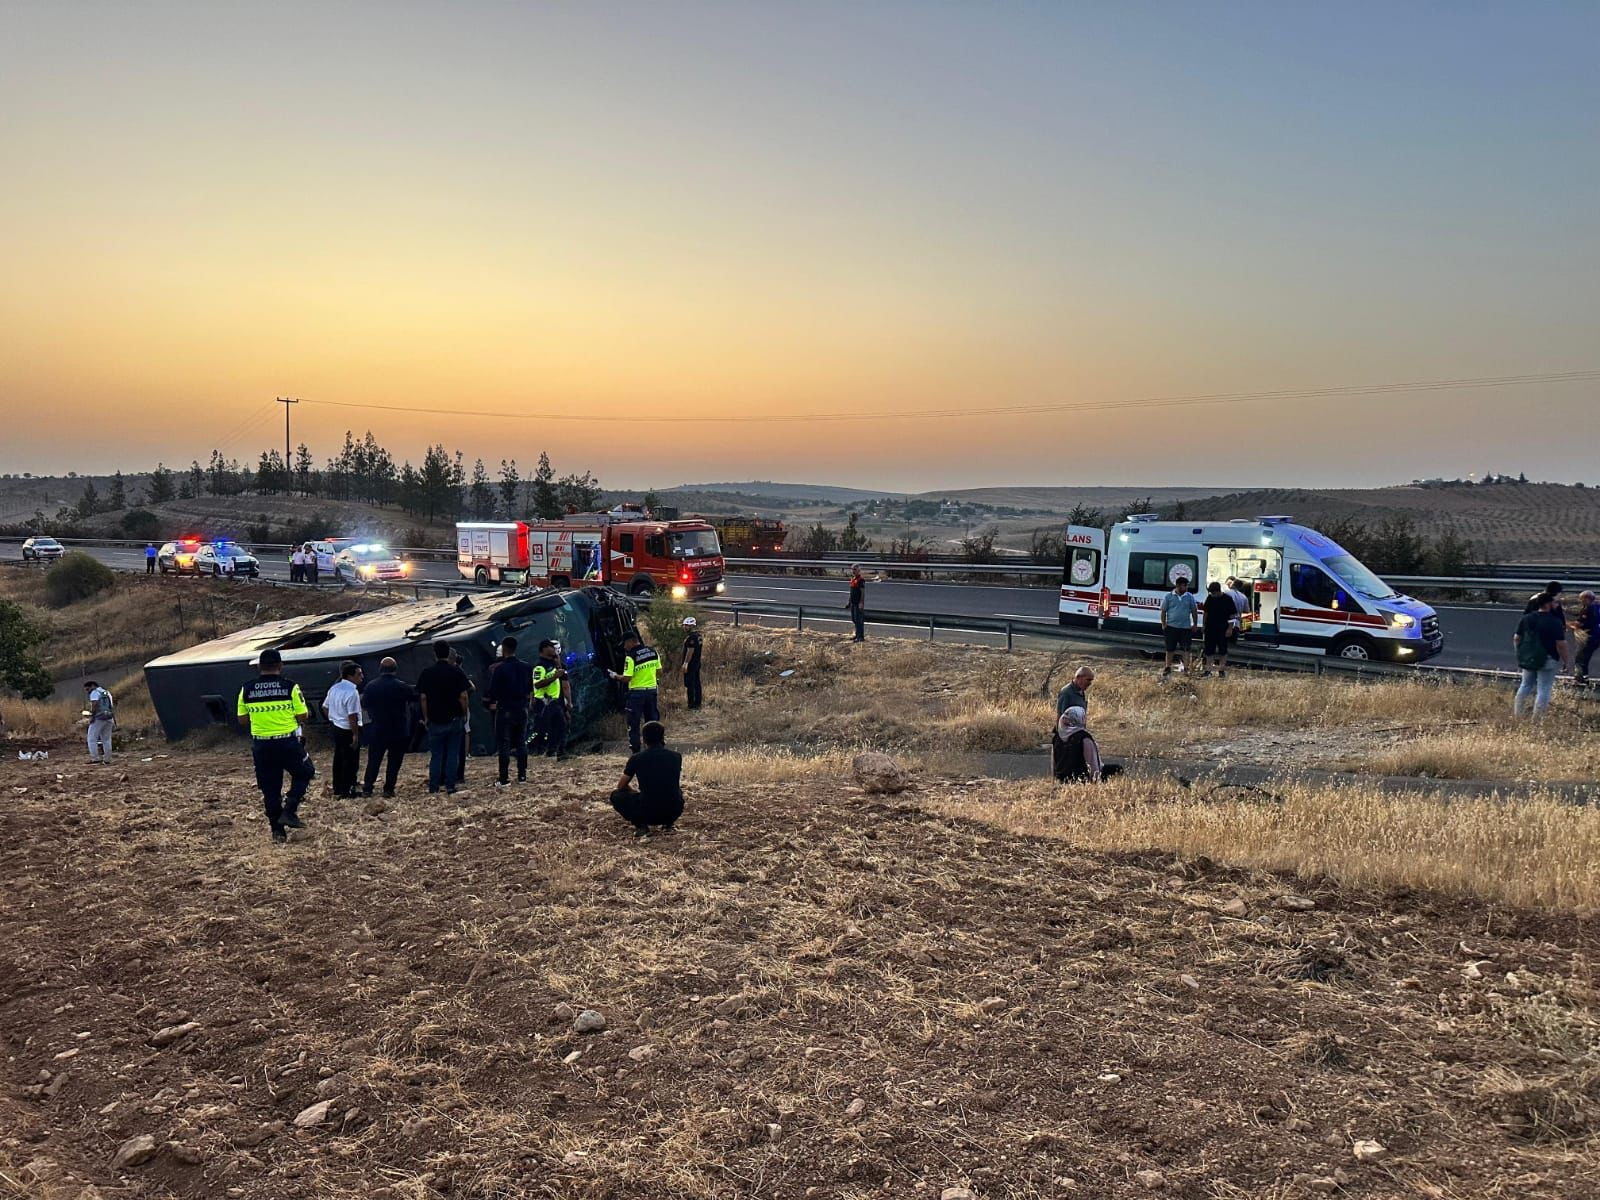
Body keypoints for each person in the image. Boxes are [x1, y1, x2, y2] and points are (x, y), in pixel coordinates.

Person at [236, 648, 315, 843]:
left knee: (270, 788)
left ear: (259, 667)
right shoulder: (290, 687)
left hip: (262, 745)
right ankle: (290, 809)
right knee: (305, 772)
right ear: (280, 665)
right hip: (287, 742)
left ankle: (277, 831)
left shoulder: (246, 689)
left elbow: (242, 719)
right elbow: (303, 715)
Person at [610, 720, 683, 839]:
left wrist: (633, 792)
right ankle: (668, 825)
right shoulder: (676, 757)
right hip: (673, 810)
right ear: (662, 738)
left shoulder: (636, 758)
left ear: (644, 739)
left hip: (647, 812)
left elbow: (621, 786)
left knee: (616, 795)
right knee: (676, 790)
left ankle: (641, 826)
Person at [417, 642, 470, 794]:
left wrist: (426, 717)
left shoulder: (427, 673)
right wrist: (464, 714)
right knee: (453, 753)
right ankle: (450, 785)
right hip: (454, 718)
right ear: (449, 654)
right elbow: (464, 696)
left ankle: (434, 786)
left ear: (435, 654)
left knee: (436, 755)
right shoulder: (457, 672)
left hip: (435, 719)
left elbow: (423, 697)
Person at [361, 657, 413, 797]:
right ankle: (389, 789)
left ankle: (368, 787)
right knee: (394, 761)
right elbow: (414, 698)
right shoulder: (401, 686)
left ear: (380, 669)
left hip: (378, 728)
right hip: (398, 729)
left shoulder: (371, 686)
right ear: (395, 669)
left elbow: (364, 704)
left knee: (374, 760)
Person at [485, 636, 533, 786]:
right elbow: (530, 688)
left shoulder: (499, 669)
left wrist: (491, 701)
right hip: (522, 708)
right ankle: (522, 776)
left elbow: (493, 691)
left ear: (504, 649)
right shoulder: (526, 667)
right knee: (521, 742)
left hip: (505, 708)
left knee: (504, 744)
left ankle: (504, 778)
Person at [1512, 593, 1570, 718]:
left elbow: (1517, 638)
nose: (1556, 605)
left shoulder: (1526, 618)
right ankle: (1537, 719)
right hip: (1548, 658)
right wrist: (1566, 661)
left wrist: (1520, 653)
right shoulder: (1555, 621)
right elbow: (1561, 644)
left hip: (1529, 657)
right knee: (1544, 688)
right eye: (1554, 602)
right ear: (1548, 604)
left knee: (1525, 685)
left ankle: (1518, 714)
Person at [609, 632, 661, 753]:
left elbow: (627, 678)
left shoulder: (631, 657)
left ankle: (636, 750)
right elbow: (659, 671)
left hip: (637, 694)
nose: (624, 647)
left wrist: (615, 676)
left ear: (631, 642)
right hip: (652, 692)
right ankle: (655, 747)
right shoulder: (653, 652)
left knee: (634, 723)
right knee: (652, 723)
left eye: (625, 644)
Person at [321, 660, 364, 798]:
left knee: (339, 758)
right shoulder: (352, 692)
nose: (362, 677)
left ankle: (338, 788)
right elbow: (352, 715)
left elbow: (324, 707)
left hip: (336, 727)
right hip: (348, 729)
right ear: (350, 676)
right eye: (359, 674)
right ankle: (348, 789)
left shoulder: (334, 688)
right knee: (351, 760)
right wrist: (355, 735)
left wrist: (333, 718)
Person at [1053, 706, 1122, 783]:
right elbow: (1092, 765)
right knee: (1118, 769)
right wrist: (1095, 783)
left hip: (1061, 778)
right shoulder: (1084, 738)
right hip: (1081, 779)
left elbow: (1054, 763)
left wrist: (1056, 778)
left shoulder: (1057, 737)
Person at [532, 639, 570, 760]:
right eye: (551, 647)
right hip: (544, 702)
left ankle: (558, 751)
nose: (554, 649)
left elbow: (563, 680)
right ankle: (545, 751)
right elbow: (537, 684)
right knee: (546, 728)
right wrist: (554, 677)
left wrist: (557, 662)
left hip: (555, 701)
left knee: (560, 726)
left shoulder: (553, 663)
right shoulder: (540, 666)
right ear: (544, 649)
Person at [1159, 576, 1199, 677]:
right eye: (1184, 585)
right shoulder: (1169, 596)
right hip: (1171, 626)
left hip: (1185, 627)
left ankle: (1186, 668)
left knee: (1186, 648)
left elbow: (1194, 611)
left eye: (1186, 586)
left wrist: (1195, 624)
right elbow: (1163, 611)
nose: (1185, 588)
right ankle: (1168, 667)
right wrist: (1163, 623)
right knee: (1170, 648)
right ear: (1177, 585)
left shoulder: (1189, 596)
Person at [449, 646, 475, 786]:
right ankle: (458, 775)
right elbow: (470, 689)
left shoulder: (433, 671)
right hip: (459, 711)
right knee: (460, 740)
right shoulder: (459, 672)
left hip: (446, 713)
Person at [1201, 581, 1237, 677]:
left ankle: (1221, 670)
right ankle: (1208, 670)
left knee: (1223, 650)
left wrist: (1230, 629)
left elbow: (1232, 615)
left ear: (1218, 591)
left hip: (1223, 628)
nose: (1212, 595)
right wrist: (1204, 625)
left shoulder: (1228, 599)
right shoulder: (1210, 598)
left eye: (1213, 593)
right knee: (1209, 650)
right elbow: (1206, 612)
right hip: (1210, 628)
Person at [83, 680, 115, 764]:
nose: (88, 691)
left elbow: (95, 704)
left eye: (88, 689)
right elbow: (111, 706)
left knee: (91, 738)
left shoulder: (94, 692)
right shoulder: (107, 692)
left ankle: (95, 758)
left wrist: (92, 716)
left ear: (92, 686)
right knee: (107, 739)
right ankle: (107, 759)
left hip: (99, 718)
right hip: (109, 717)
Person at [1575, 590, 1599, 685]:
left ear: (1587, 598)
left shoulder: (1586, 609)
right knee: (1585, 658)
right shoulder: (1597, 607)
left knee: (1580, 659)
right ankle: (1584, 678)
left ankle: (1581, 679)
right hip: (1597, 635)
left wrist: (1566, 624)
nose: (1581, 601)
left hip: (1588, 636)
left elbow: (1579, 623)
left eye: (1582, 599)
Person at [680, 617, 703, 709]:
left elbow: (690, 651)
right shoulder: (698, 636)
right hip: (697, 663)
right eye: (684, 625)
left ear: (692, 626)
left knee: (690, 684)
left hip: (691, 664)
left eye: (687, 625)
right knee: (697, 683)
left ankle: (691, 705)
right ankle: (698, 703)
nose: (685, 627)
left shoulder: (691, 638)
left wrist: (686, 663)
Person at [846, 565, 867, 642]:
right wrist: (849, 602)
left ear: (859, 570)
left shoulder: (861, 580)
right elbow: (851, 592)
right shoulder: (852, 579)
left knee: (859, 620)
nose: (853, 571)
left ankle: (860, 637)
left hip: (858, 603)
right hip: (853, 603)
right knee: (854, 619)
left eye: (855, 569)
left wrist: (861, 602)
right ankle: (857, 634)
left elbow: (862, 592)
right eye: (852, 569)